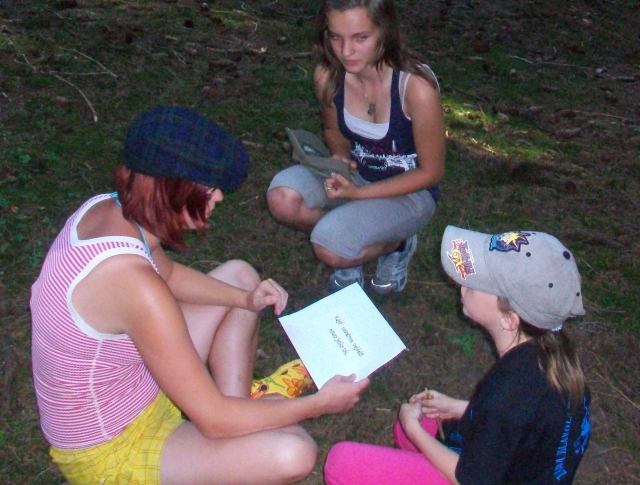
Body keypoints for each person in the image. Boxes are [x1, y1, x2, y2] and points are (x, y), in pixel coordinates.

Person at [30, 106, 370, 485]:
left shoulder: (109, 208)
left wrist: (245, 300)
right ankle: (238, 422)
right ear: (169, 188)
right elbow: (212, 420)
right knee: (295, 452)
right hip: (113, 448)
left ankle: (240, 413)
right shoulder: (133, 284)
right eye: (209, 189)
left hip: (134, 382)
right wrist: (318, 404)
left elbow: (169, 273)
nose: (219, 196)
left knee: (241, 279)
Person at [324, 226, 591, 485]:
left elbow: (471, 478)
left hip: (475, 477)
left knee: (342, 462)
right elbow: (522, 426)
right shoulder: (556, 361)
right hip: (508, 467)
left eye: (478, 282)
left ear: (510, 319)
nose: (463, 282)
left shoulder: (507, 390)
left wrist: (415, 432)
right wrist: (460, 409)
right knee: (421, 422)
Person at [267, 0, 445, 294]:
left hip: (409, 193)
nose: (346, 51)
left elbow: (431, 173)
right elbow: (333, 130)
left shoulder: (416, 87)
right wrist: (339, 155)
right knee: (282, 199)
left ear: (385, 31)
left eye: (360, 38)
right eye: (336, 37)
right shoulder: (329, 76)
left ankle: (397, 243)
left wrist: (359, 194)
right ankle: (351, 234)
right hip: (356, 176)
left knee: (329, 247)